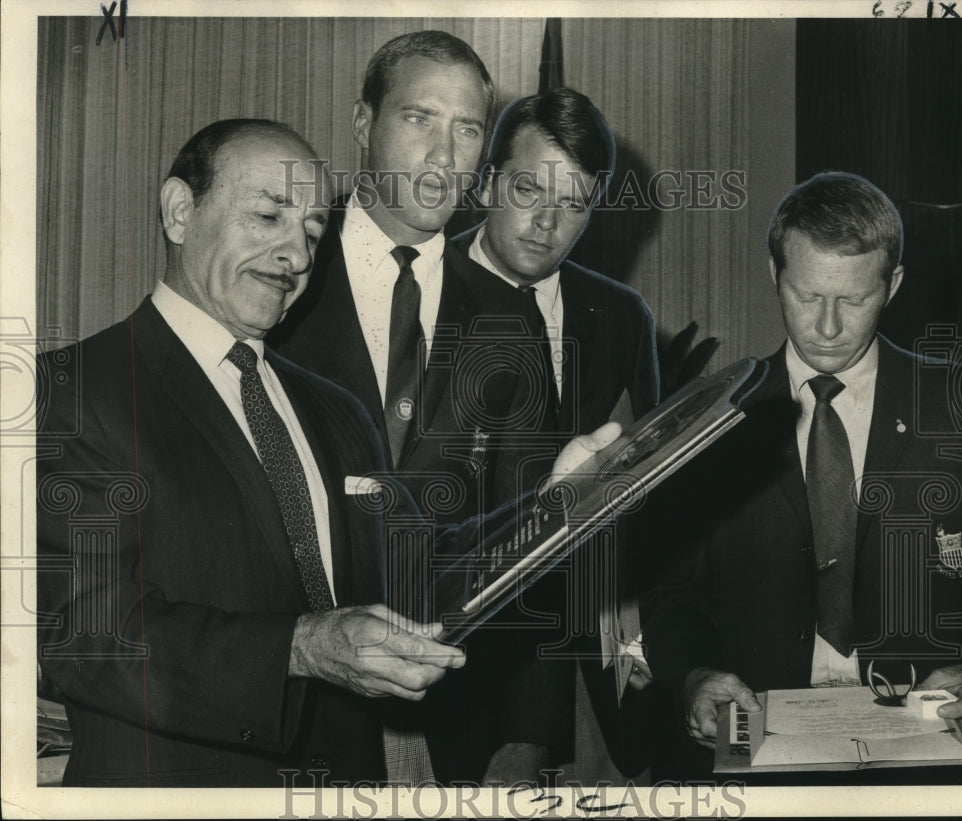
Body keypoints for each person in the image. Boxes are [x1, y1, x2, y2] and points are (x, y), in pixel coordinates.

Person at [35, 118, 615, 788]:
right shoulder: (73, 390)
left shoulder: (333, 410)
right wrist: (301, 647)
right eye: (267, 216)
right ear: (178, 210)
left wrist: (546, 512)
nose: (297, 255)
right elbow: (80, 634)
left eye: (312, 232)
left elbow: (408, 580)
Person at [268, 32, 566, 784]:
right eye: (420, 118)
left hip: (460, 724)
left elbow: (538, 534)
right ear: (364, 124)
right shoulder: (276, 276)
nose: (445, 153)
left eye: (467, 129)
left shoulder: (509, 318)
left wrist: (529, 734)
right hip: (293, 720)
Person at [639, 171, 962, 782]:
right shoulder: (711, 423)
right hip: (759, 749)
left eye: (853, 300)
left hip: (925, 754)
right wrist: (696, 676)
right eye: (806, 296)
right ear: (775, 276)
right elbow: (674, 598)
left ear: (894, 284)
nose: (827, 327)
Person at [451, 88, 659, 780]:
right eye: (528, 189)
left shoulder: (621, 314)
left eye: (573, 202)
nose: (547, 221)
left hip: (594, 668)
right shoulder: (418, 294)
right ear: (485, 182)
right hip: (466, 675)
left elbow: (650, 492)